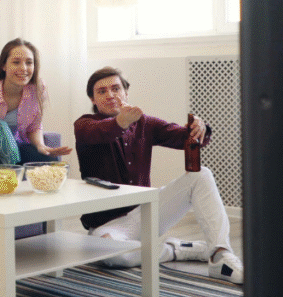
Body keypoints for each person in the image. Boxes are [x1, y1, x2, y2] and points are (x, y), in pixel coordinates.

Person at [74, 66, 243, 284]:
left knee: (201, 174)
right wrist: (121, 122)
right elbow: (102, 132)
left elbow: (186, 138)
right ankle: (178, 249)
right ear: (93, 99)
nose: (110, 95)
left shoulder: (145, 123)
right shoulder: (84, 125)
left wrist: (199, 127)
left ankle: (220, 254)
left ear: (126, 93)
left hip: (148, 212)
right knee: (114, 256)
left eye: (116, 89)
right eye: (102, 91)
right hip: (108, 226)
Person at [0, 38, 73, 164]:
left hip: (18, 147)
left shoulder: (38, 88)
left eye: (29, 63)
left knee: (49, 159)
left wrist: (40, 145)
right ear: (3, 65)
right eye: (16, 62)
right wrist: (0, 141)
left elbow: (34, 127)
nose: (24, 68)